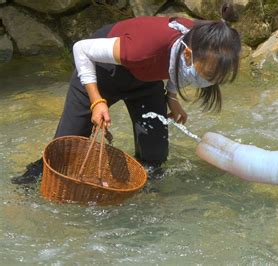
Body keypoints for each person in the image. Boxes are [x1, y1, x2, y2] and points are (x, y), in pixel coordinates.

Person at [11, 4, 241, 184]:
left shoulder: (205, 39)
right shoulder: (143, 48)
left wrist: (171, 97)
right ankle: (28, 183)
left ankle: (143, 198)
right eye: (208, 75)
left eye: (215, 79)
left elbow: (176, 63)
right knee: (64, 150)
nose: (208, 82)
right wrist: (96, 101)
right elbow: (81, 49)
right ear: (190, 55)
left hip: (145, 81)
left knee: (155, 157)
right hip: (102, 71)